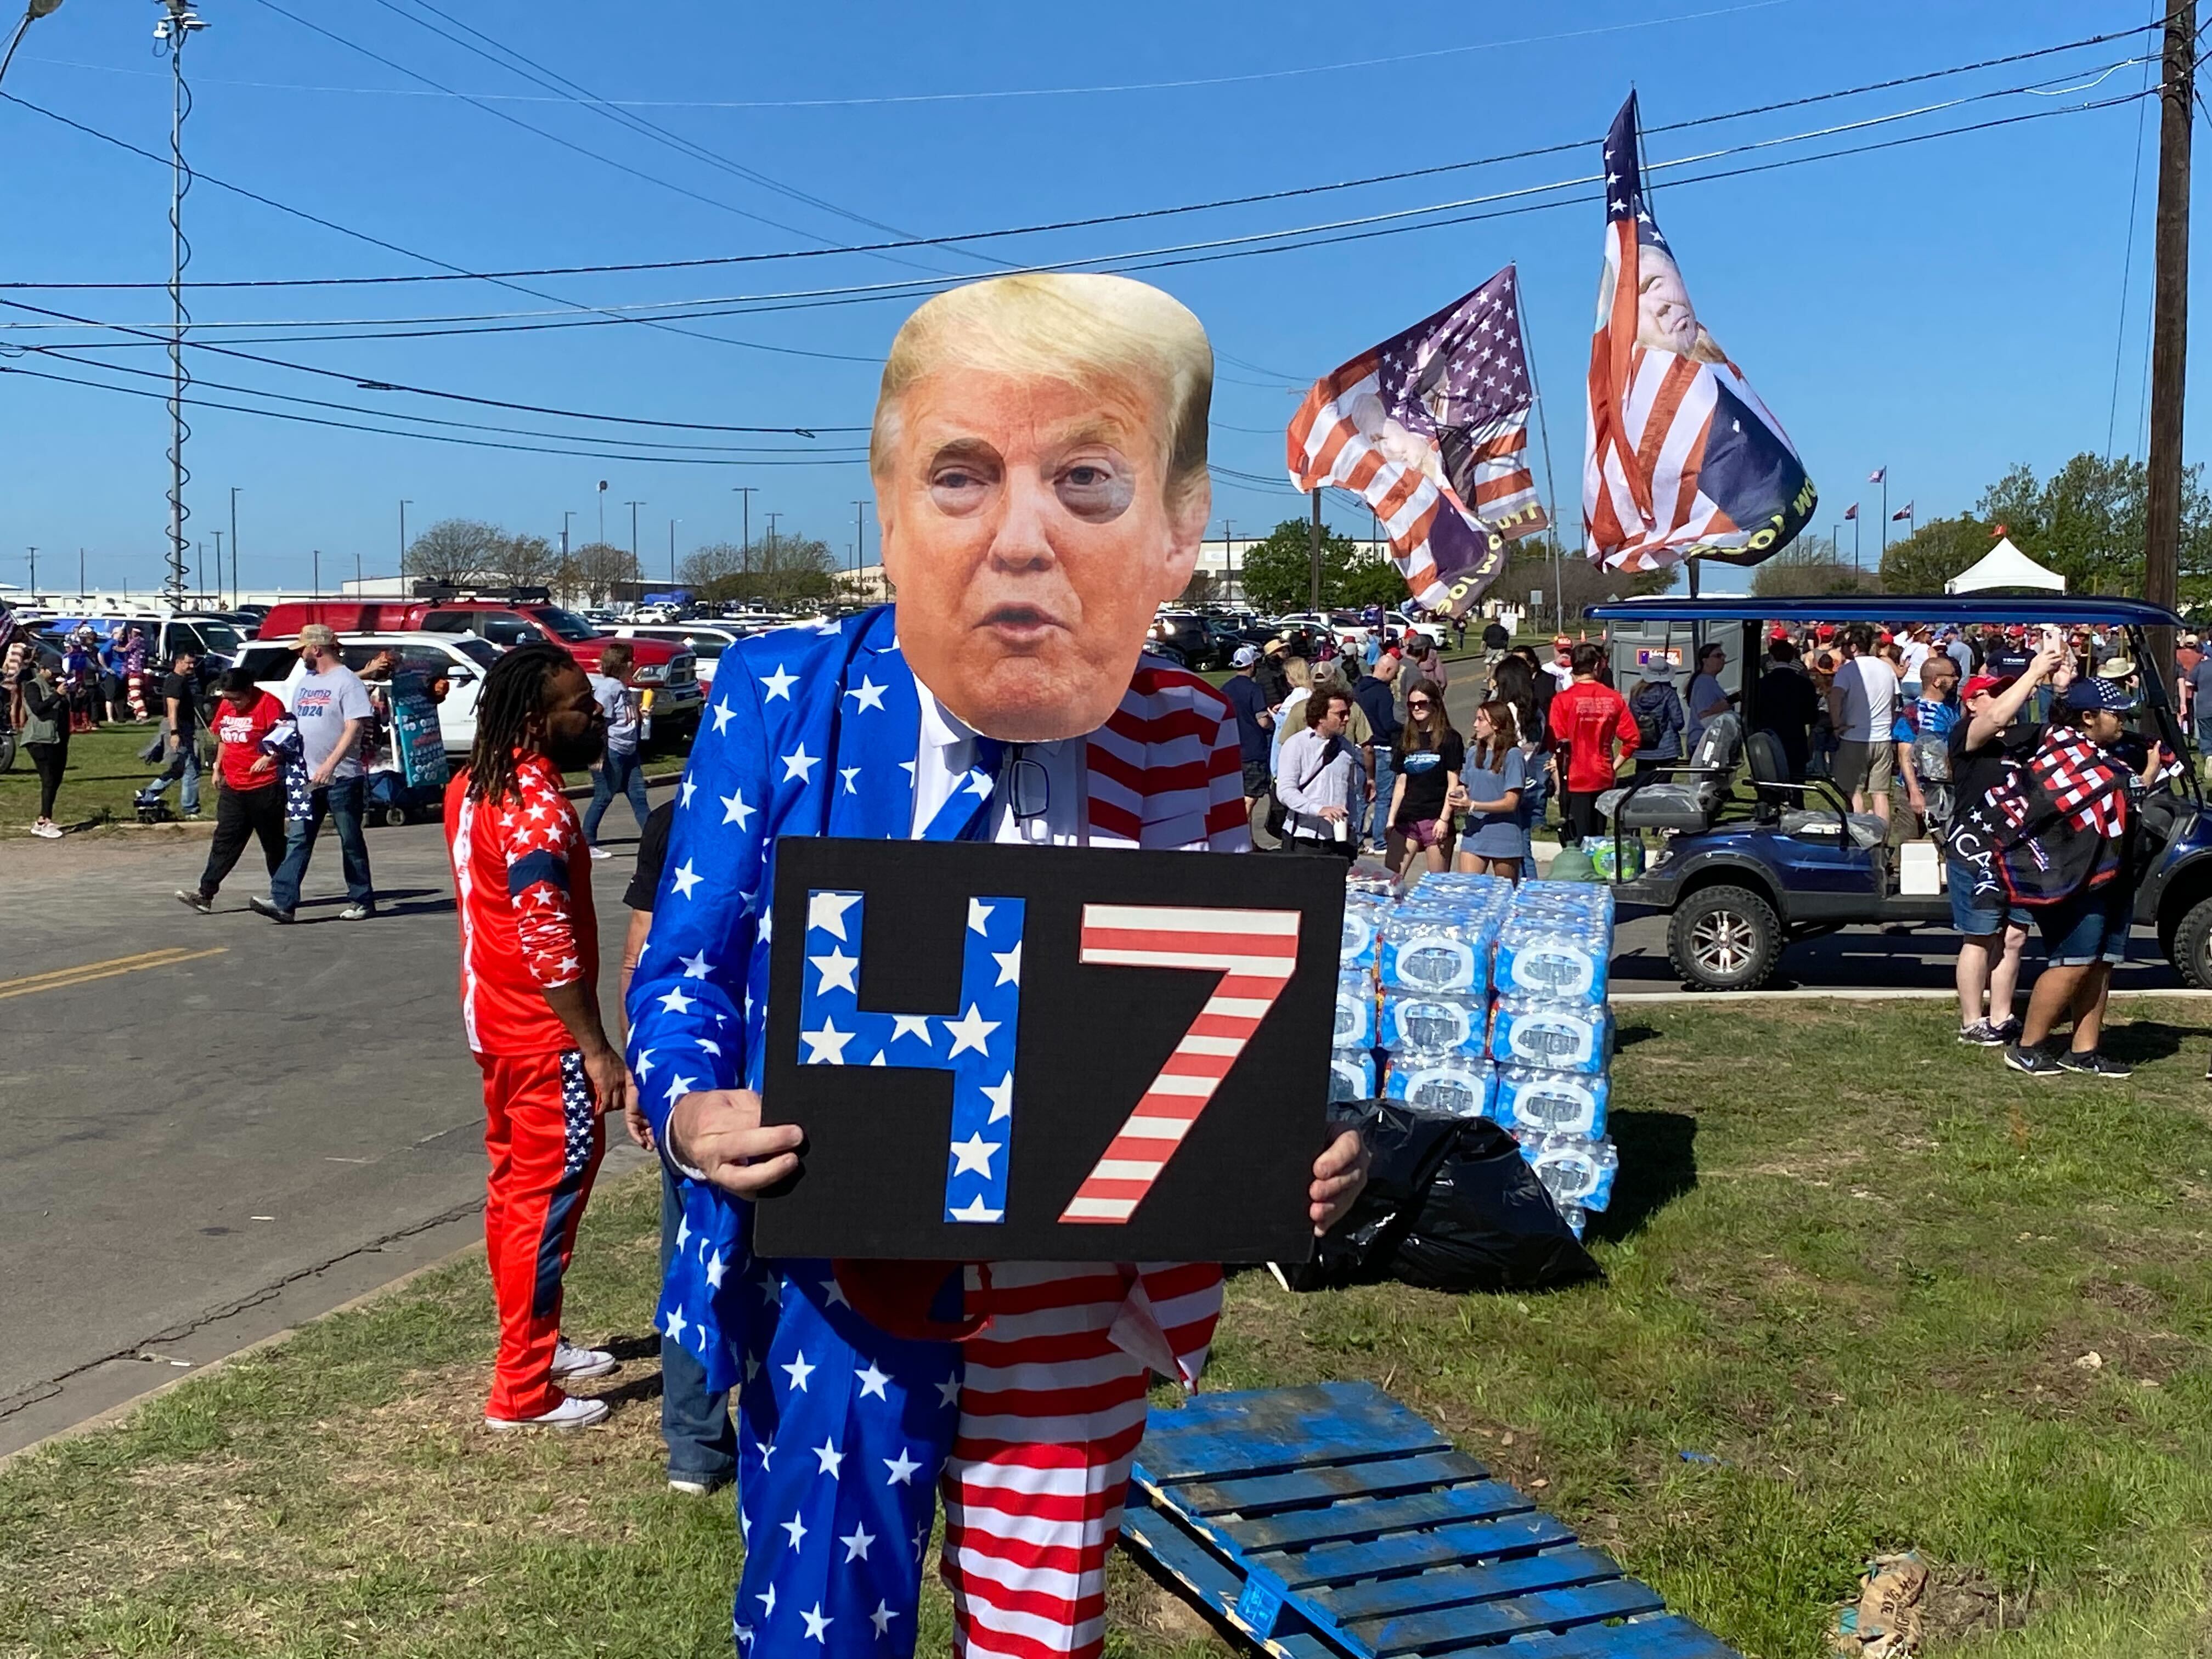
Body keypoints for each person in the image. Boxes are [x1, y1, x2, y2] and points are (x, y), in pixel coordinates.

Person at [624, 272, 1370, 1659]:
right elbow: (684, 973)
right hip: (844, 1272)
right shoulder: (786, 697)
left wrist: (1297, 1135)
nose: (1021, 539)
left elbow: (1227, 993)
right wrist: (685, 1105)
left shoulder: (1188, 731)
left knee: (1041, 1636)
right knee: (818, 1633)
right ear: (895, 505)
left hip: (1075, 1282)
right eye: (962, 476)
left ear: (1174, 529)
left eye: (1087, 481)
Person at [443, 642, 627, 1429]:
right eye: (580, 706)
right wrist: (595, 1047)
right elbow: (547, 938)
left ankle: (537, 1347)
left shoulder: (473, 787)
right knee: (545, 1207)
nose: (598, 714)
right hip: (542, 1038)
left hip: (496, 1026)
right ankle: (522, 1387)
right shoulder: (537, 807)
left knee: (516, 1196)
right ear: (533, 718)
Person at [613, 797, 740, 1493]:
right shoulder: (847, 788)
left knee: (694, 1249)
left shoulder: (679, 814)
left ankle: (695, 1447)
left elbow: (644, 951)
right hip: (791, 1061)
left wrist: (645, 1063)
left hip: (697, 1069)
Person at [1996, 676, 2155, 1078]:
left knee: (2101, 962)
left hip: (2109, 870)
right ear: (2088, 717)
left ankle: (2084, 1050)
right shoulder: (2060, 749)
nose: (2122, 721)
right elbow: (2057, 796)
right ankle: (2028, 1046)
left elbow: (2121, 786)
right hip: (2070, 873)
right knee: (2075, 960)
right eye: (2115, 714)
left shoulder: (2105, 756)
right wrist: (2137, 778)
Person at [1947, 652, 2064, 1046]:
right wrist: (2033, 672)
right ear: (1971, 702)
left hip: (2018, 852)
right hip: (1975, 850)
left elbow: (2063, 732)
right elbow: (1994, 720)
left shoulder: (2019, 738)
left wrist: (2059, 685)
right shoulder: (1966, 735)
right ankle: (1971, 1021)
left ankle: (2001, 1015)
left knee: (2014, 936)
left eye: (2007, 693)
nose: (2003, 701)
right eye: (1993, 694)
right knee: (1979, 936)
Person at [253, 625, 377, 924]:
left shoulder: (347, 682)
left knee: (350, 839)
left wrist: (330, 764)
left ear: (317, 649)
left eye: (302, 649)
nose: (299, 654)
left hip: (342, 777)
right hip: (304, 777)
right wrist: (275, 750)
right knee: (299, 838)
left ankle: (362, 899)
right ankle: (283, 902)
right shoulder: (306, 683)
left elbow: (354, 726)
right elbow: (294, 724)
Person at [176, 669, 289, 913]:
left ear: (249, 690)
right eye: (228, 698)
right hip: (234, 787)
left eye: (237, 698)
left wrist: (270, 758)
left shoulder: (269, 704)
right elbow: (225, 740)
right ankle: (205, 894)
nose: (232, 703)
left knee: (273, 844)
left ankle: (283, 895)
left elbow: (285, 737)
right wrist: (218, 768)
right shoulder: (226, 707)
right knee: (225, 841)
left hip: (264, 786)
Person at [1548, 642, 1639, 846]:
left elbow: (1556, 741)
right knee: (1598, 837)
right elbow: (1632, 738)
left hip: (1573, 776)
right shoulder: (1613, 698)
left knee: (1576, 840)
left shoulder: (1563, 700)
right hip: (1602, 774)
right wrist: (1614, 766)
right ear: (1597, 666)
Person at [582, 640, 650, 858]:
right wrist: (598, 754)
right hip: (612, 751)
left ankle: (654, 841)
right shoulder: (608, 688)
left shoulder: (623, 689)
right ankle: (587, 841)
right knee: (604, 795)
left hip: (629, 751)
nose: (633, 664)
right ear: (621, 665)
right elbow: (599, 720)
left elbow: (625, 718)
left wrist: (642, 714)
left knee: (639, 796)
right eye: (630, 661)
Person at [1448, 700, 1529, 878]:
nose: (1475, 725)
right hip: (1475, 834)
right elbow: (1466, 786)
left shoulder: (1513, 756)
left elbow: (1511, 803)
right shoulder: (1473, 753)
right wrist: (1460, 795)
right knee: (1469, 890)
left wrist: (1473, 805)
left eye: (1480, 720)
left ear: (1496, 724)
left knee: (1504, 894)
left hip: (1504, 835)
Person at [1388, 680, 1463, 875]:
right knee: (1390, 880)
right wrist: (1391, 819)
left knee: (1436, 885)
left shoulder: (1450, 738)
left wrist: (1444, 819)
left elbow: (1453, 784)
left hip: (1435, 816)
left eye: (1422, 703)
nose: (1417, 708)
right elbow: (1401, 782)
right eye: (1412, 705)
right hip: (1407, 818)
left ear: (1435, 703)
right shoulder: (1406, 738)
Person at [1275, 688, 1358, 856]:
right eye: (1340, 714)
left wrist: (1352, 825)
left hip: (1339, 838)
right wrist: (1319, 809)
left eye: (1347, 713)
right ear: (1321, 717)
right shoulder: (1296, 745)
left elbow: (1350, 789)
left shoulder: (1346, 747)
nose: (1347, 719)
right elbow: (1285, 792)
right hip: (1303, 838)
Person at [1829, 623, 1896, 825]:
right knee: (1880, 794)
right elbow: (1893, 703)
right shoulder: (1887, 669)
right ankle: (1882, 838)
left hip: (1855, 737)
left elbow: (1835, 698)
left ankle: (1858, 835)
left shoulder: (1848, 670)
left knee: (1853, 791)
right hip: (1883, 737)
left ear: (1854, 647)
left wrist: (1836, 725)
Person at [1895, 652, 1961, 839]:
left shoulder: (1951, 711)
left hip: (1945, 790)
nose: (1956, 679)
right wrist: (1914, 792)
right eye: (1951, 675)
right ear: (1937, 680)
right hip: (1918, 789)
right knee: (1909, 847)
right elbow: (1905, 755)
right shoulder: (1913, 712)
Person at [136, 649, 202, 820]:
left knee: (180, 768)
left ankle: (149, 793)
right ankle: (190, 809)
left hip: (184, 727)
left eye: (193, 663)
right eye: (188, 663)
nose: (192, 666)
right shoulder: (175, 682)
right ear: (179, 662)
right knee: (191, 769)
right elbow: (172, 707)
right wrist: (174, 732)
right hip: (177, 727)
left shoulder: (182, 681)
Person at [1352, 648, 1402, 854]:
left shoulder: (1358, 689)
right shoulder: (1383, 693)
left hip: (1360, 747)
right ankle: (1381, 840)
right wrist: (1404, 728)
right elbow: (1387, 722)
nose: (1395, 677)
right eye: (1395, 673)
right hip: (1381, 747)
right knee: (1383, 797)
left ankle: (1356, 838)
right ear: (1388, 670)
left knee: (1361, 795)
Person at [15, 653, 68, 838]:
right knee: (48, 778)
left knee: (56, 779)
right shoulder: (32, 686)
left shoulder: (57, 687)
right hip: (39, 739)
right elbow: (38, 709)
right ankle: (44, 820)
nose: (54, 676)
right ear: (42, 669)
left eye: (57, 672)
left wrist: (75, 697)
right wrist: (57, 696)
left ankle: (44, 819)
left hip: (58, 739)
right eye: (51, 672)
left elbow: (65, 710)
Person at [1754, 637, 1820, 783]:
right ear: (1792, 657)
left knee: (1770, 780)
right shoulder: (1804, 684)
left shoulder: (1761, 685)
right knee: (1797, 783)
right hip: (1795, 738)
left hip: (1770, 738)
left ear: (1771, 658)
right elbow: (1811, 717)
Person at [1221, 643, 1274, 813]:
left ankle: (1249, 838)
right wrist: (1275, 723)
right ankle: (1243, 837)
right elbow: (1263, 722)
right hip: (1253, 751)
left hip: (1231, 750)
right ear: (1252, 665)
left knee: (1236, 798)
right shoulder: (1254, 689)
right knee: (1249, 801)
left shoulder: (1225, 689)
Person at [1627, 660, 1686, 778]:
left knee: (1642, 789)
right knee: (1664, 791)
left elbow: (1632, 719)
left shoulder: (1636, 693)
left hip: (1643, 748)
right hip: (1667, 748)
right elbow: (1678, 722)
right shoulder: (1669, 693)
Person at [1683, 641, 1730, 753]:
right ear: (1705, 660)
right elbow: (1704, 715)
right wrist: (1724, 706)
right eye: (1718, 656)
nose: (1723, 659)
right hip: (1704, 743)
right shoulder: (1705, 683)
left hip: (1705, 742)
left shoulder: (1708, 681)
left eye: (1723, 656)